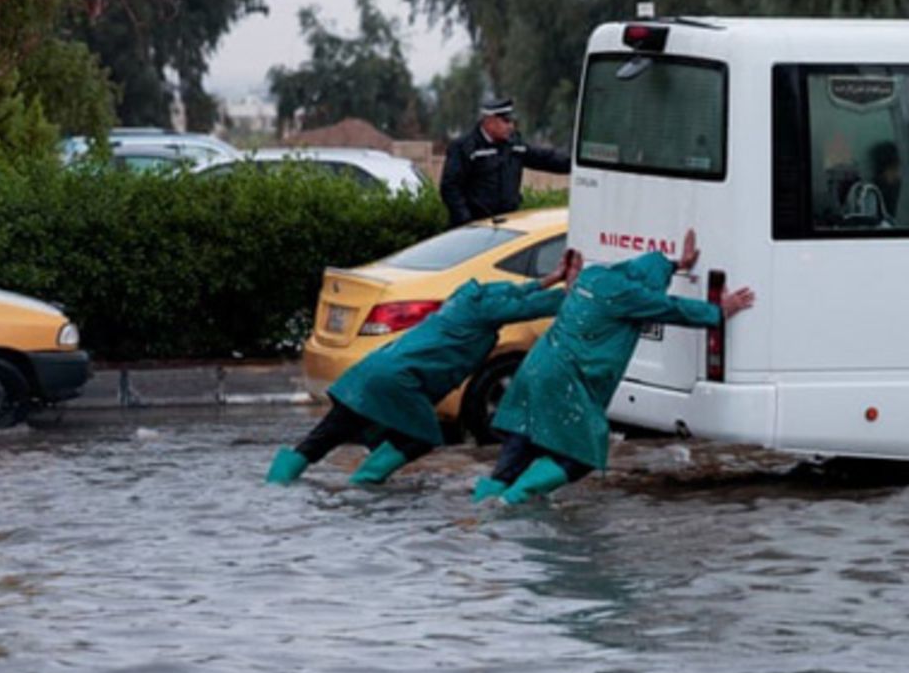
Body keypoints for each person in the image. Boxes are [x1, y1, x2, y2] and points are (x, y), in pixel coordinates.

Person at [478, 230, 756, 505]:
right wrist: (719, 310)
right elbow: (673, 308)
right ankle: (517, 498)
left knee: (524, 436)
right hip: (568, 377)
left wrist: (676, 265)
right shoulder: (630, 295)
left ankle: (484, 505)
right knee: (584, 452)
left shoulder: (594, 276)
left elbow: (647, 273)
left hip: (535, 367)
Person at [266, 249, 583, 486]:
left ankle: (275, 485)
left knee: (325, 435)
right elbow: (533, 305)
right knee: (422, 436)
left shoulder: (468, 296)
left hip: (370, 373)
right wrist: (574, 290)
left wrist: (550, 279)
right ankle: (365, 483)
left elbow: (514, 293)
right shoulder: (486, 311)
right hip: (402, 382)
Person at [440, 97, 572, 227]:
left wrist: (575, 164)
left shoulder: (514, 145)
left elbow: (545, 158)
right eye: (506, 121)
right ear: (489, 121)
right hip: (476, 227)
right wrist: (466, 221)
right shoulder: (466, 147)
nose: (511, 126)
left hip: (507, 226)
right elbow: (450, 187)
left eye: (512, 121)